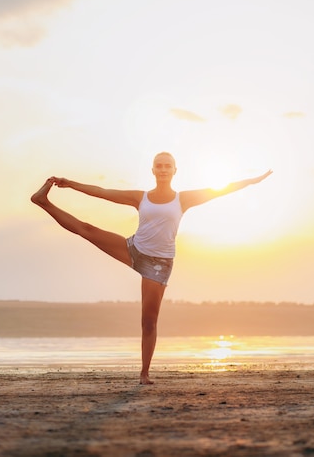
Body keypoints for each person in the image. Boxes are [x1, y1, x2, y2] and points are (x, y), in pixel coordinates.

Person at [31, 152, 272, 384]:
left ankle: (144, 373)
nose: (164, 169)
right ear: (153, 170)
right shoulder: (140, 197)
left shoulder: (183, 199)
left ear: (175, 170)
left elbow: (222, 189)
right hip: (133, 249)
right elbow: (104, 193)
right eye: (159, 165)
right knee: (87, 230)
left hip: (159, 264)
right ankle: (42, 201)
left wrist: (252, 181)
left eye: (168, 165)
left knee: (148, 321)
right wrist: (70, 184)